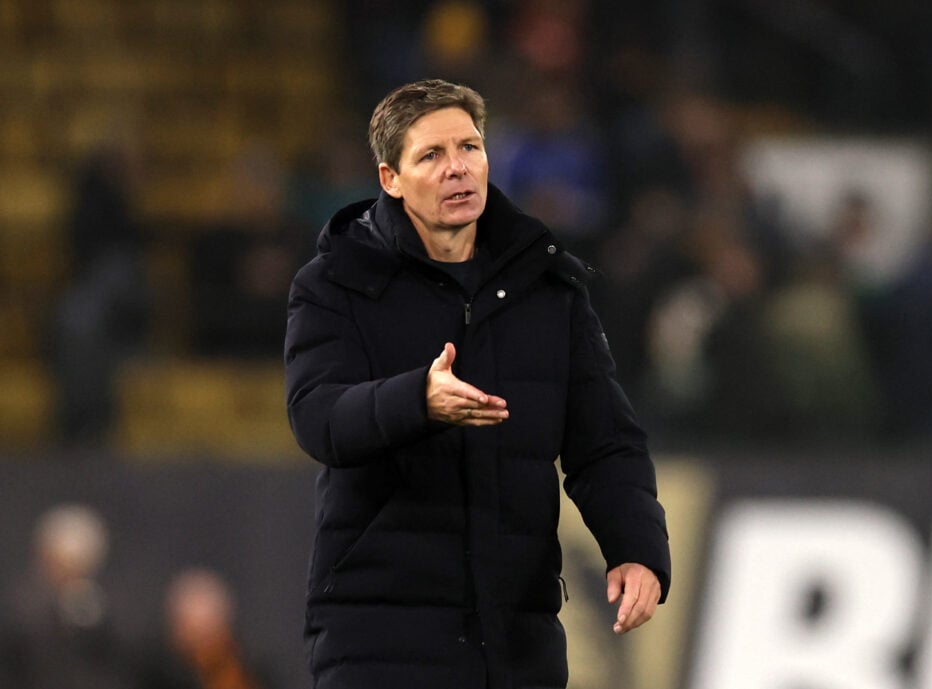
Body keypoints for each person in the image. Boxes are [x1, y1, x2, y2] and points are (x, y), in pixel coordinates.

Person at [284, 79, 671, 689]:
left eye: (469, 147)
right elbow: (318, 418)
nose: (457, 168)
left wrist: (637, 548)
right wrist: (419, 399)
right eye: (432, 155)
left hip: (516, 635)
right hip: (379, 634)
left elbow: (606, 443)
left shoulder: (549, 288)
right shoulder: (335, 283)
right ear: (390, 179)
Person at [0, 504, 130, 689]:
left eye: (75, 565)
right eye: (60, 562)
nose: (66, 573)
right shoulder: (21, 610)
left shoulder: (103, 609)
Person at [133, 568, 272, 689]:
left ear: (224, 632)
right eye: (191, 632)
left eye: (206, 635)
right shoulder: (157, 677)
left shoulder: (247, 675)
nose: (201, 650)